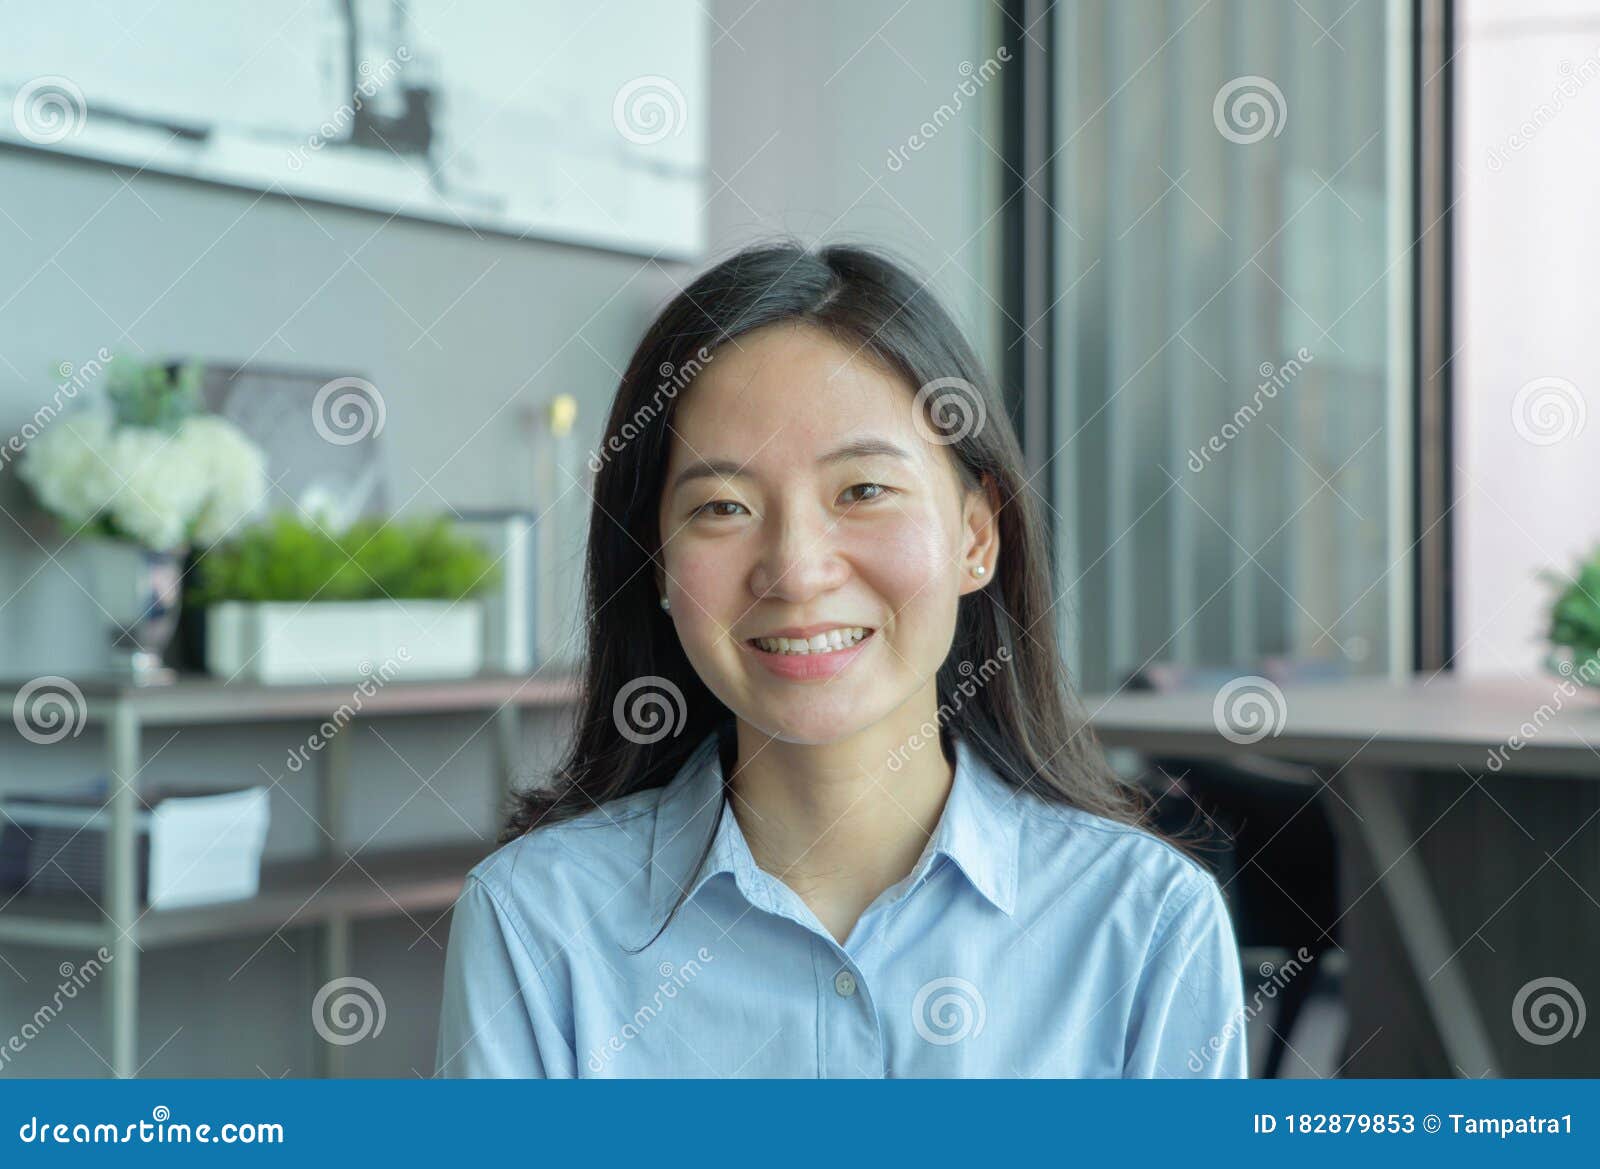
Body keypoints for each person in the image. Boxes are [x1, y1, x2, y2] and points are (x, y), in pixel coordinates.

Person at [435, 241, 1248, 1078]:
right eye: (723, 506)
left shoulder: (1146, 923)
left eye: (862, 490)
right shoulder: (536, 921)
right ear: (658, 566)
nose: (794, 569)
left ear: (976, 535)